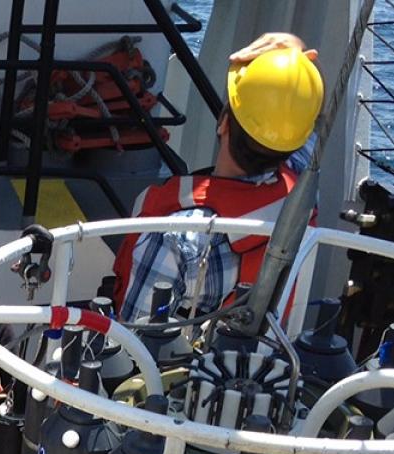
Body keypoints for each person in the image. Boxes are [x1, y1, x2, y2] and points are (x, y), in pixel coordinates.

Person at [109, 32, 324, 324]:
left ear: (223, 123)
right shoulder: (302, 193)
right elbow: (298, 119)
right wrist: (295, 60)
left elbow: (134, 338)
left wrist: (292, 47)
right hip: (268, 351)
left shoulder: (175, 237)